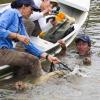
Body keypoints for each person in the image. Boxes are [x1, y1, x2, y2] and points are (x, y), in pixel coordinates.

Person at [0, 0, 60, 79]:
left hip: (6, 50)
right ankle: (40, 81)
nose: (32, 13)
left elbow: (28, 43)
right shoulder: (11, 12)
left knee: (24, 64)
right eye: (31, 9)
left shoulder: (20, 22)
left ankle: (19, 84)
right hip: (2, 51)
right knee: (34, 60)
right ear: (23, 7)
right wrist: (17, 36)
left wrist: (47, 56)